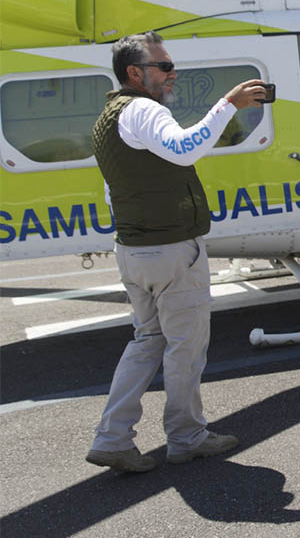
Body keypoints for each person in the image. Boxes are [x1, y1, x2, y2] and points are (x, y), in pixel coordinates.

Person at [86, 31, 266, 472]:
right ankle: (186, 437)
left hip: (133, 249)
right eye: (164, 66)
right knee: (185, 347)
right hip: (169, 250)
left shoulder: (107, 118)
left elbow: (115, 191)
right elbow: (186, 150)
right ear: (135, 72)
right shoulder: (143, 110)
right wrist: (228, 105)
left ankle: (112, 437)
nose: (172, 73)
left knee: (147, 341)